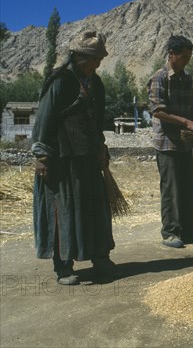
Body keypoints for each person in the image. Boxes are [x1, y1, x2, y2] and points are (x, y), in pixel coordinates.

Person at [32, 30, 117, 285]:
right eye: (92, 59)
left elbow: (98, 121)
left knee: (95, 208)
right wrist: (42, 157)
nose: (97, 64)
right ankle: (64, 265)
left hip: (88, 157)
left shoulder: (97, 84)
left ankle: (99, 257)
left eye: (99, 59)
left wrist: (102, 147)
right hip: (62, 159)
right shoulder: (61, 81)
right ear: (78, 56)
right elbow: (44, 122)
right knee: (65, 211)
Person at [147, 35, 193, 248]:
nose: (187, 61)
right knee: (171, 190)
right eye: (184, 57)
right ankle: (171, 232)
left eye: (189, 57)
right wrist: (186, 122)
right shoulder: (160, 77)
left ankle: (188, 230)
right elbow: (157, 111)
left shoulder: (187, 78)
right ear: (171, 55)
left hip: (184, 143)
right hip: (166, 143)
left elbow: (191, 110)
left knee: (189, 190)